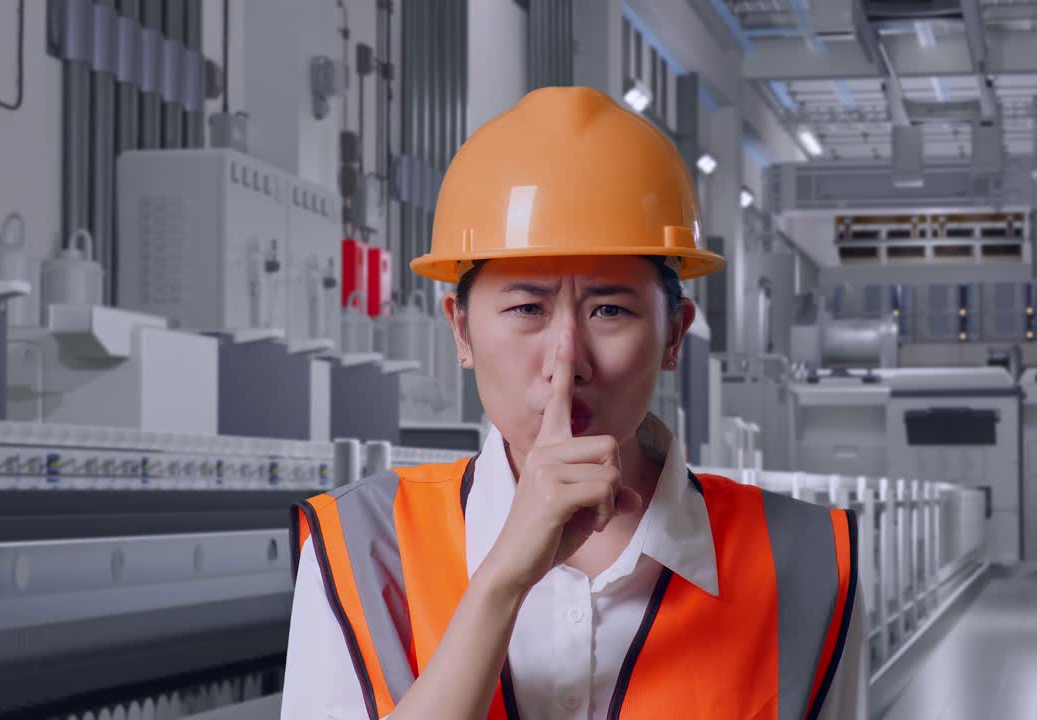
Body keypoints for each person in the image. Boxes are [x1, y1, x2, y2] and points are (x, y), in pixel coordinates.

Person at [281, 86, 867, 720]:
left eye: (609, 310)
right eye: (526, 308)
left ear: (674, 335)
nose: (567, 360)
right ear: (462, 330)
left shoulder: (807, 561)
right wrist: (502, 580)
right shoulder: (363, 546)